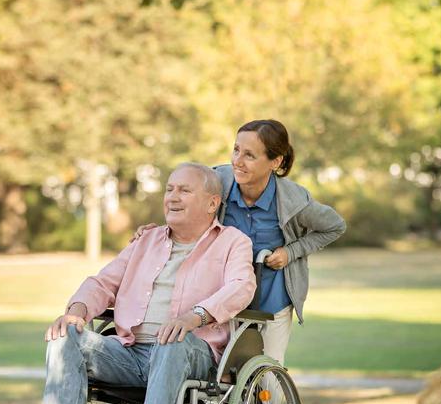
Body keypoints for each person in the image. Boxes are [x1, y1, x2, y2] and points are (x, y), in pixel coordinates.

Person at [21, 162, 255, 404]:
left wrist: (194, 317)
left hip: (191, 352)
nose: (172, 197)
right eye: (169, 189)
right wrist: (77, 312)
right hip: (130, 352)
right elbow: (103, 283)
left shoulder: (233, 242)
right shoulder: (146, 241)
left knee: (173, 340)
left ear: (212, 203)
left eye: (184, 190)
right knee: (64, 338)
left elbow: (241, 287)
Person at [135, 119, 345, 363]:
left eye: (249, 155)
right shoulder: (217, 181)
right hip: (220, 294)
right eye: (236, 150)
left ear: (275, 162)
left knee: (265, 378)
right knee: (218, 375)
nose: (238, 161)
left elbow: (334, 226)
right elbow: (186, 209)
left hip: (271, 300)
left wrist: (292, 251)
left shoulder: (295, 200)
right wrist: (156, 232)